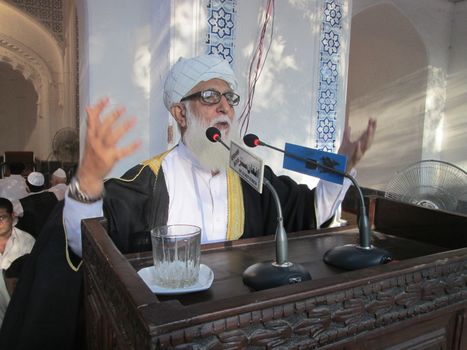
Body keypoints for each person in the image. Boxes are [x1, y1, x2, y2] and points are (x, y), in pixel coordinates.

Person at [64, 54, 376, 257]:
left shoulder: (248, 172)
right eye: (211, 96)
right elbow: (85, 246)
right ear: (180, 113)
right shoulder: (149, 180)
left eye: (229, 97)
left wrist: (339, 166)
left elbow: (306, 213)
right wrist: (88, 179)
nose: (225, 106)